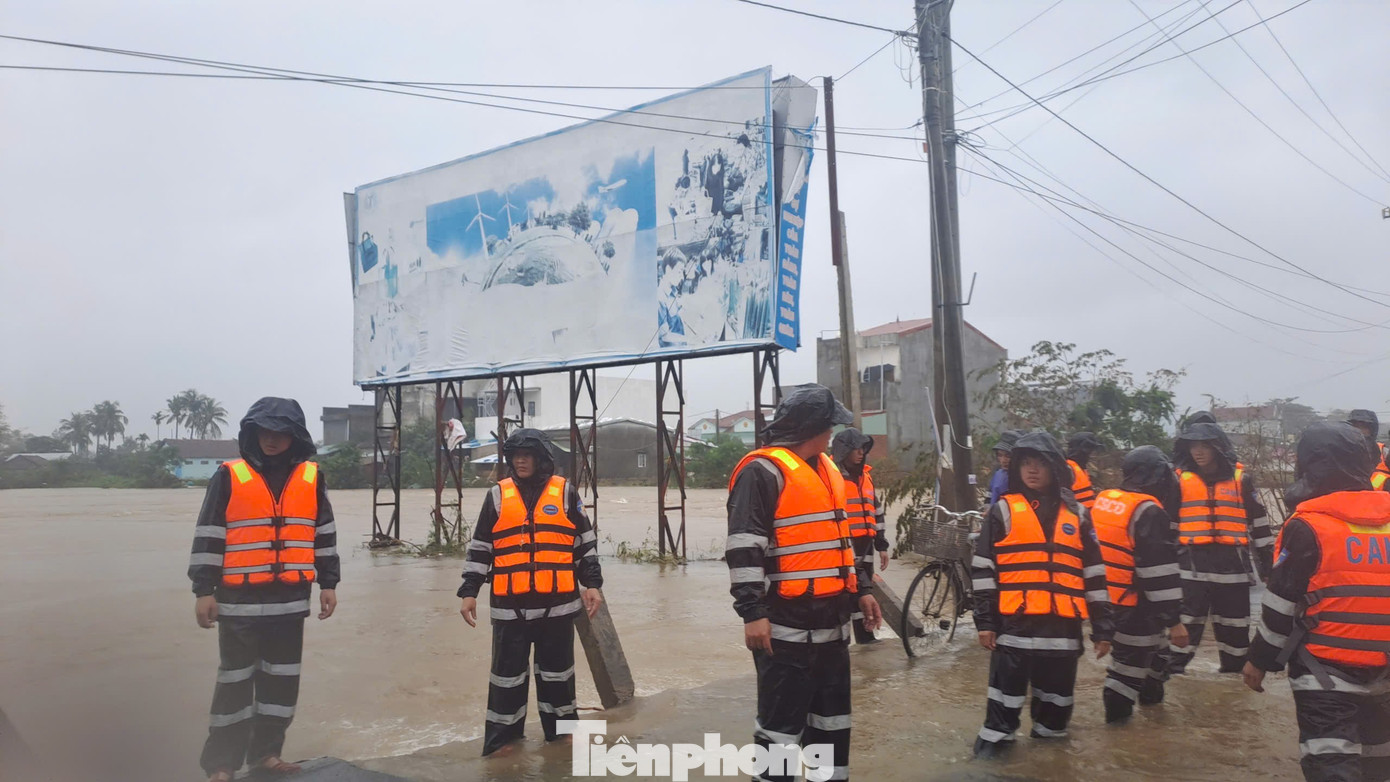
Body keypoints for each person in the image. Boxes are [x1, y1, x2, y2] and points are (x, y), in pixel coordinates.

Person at [725, 385, 882, 781]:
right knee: (779, 733)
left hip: (832, 627)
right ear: (812, 427)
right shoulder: (762, 472)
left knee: (832, 725)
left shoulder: (828, 471)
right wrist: (752, 613)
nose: (832, 434)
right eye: (829, 426)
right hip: (785, 629)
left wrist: (862, 590)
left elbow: (840, 541)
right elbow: (744, 548)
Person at [188, 398, 340, 782]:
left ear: (295, 437)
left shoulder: (311, 477)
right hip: (238, 604)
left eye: (280, 433)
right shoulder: (229, 475)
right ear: (252, 433)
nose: (271, 440)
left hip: (289, 604)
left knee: (281, 684)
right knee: (234, 684)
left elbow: (323, 534)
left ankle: (266, 754)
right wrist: (203, 590)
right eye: (264, 432)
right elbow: (209, 534)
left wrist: (329, 583)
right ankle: (221, 765)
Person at [1244, 422, 1390, 782]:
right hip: (1385, 672)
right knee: (1378, 763)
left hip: (1323, 674)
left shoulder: (1306, 526)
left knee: (1331, 765)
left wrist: (1259, 661)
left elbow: (1280, 605)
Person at [457, 428, 604, 756]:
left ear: (541, 459)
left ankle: (563, 735)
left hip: (558, 607)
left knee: (559, 677)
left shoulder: (565, 493)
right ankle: (504, 741)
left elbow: (585, 544)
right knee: (506, 678)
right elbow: (481, 548)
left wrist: (592, 584)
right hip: (511, 608)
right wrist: (469, 591)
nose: (520, 461)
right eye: (515, 456)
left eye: (527, 455)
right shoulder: (497, 495)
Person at [970, 431, 1113, 758]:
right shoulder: (1002, 511)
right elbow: (983, 570)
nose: (1032, 470)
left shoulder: (1079, 515)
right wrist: (985, 623)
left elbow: (1094, 576)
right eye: (1026, 463)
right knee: (999, 722)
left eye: (1040, 464)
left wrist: (1103, 629)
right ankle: (989, 770)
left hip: (1062, 637)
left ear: (1055, 468)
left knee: (1054, 728)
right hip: (1014, 633)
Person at [1168, 421, 1275, 674]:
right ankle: (1168, 686)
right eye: (1193, 446)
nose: (1198, 452)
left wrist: (1268, 568)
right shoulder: (1178, 481)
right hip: (1191, 570)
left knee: (1235, 637)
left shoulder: (1241, 481)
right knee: (1183, 637)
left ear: (1217, 448)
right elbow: (1168, 528)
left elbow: (1259, 527)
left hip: (1232, 570)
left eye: (1204, 446)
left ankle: (1233, 686)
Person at [1090, 446, 1188, 722]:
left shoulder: (1105, 499)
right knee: (1126, 672)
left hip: (1107, 602)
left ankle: (1152, 722)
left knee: (1158, 658)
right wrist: (1175, 622)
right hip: (1135, 607)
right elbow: (1158, 572)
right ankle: (1119, 735)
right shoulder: (1148, 511)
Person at [831, 428, 891, 644]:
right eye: (856, 448)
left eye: (863, 449)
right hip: (843, 544)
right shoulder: (832, 476)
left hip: (866, 543)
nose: (861, 453)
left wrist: (881, 545)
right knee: (849, 590)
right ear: (844, 450)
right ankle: (844, 641)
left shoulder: (865, 476)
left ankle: (866, 639)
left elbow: (877, 511)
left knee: (864, 590)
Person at [1066, 432, 1105, 510]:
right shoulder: (1067, 468)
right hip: (1073, 515)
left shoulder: (1081, 468)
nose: (1092, 454)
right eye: (1091, 450)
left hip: (1086, 514)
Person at [988, 429, 1023, 506]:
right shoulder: (998, 474)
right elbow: (989, 496)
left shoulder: (1026, 478)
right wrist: (988, 509)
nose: (1003, 460)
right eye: (1000, 455)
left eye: (1008, 456)